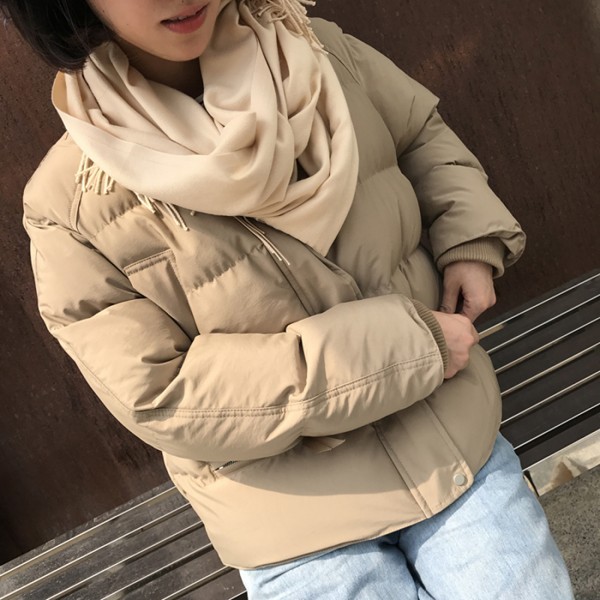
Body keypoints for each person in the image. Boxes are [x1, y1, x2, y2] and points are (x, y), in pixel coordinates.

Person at [2, 0, 573, 597]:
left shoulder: (319, 52)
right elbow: (159, 393)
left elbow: (418, 134)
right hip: (291, 514)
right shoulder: (70, 202)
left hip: (447, 433)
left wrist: (471, 238)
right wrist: (410, 349)